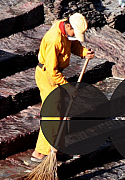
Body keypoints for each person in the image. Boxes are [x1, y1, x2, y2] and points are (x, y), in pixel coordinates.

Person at [32, 13, 95, 162]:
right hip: (47, 76)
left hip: (55, 74)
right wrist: (68, 87)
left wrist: (84, 52)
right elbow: (51, 71)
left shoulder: (66, 31)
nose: (75, 35)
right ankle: (40, 153)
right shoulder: (54, 40)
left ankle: (57, 149)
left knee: (59, 113)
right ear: (68, 26)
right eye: (75, 32)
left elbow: (74, 45)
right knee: (52, 115)